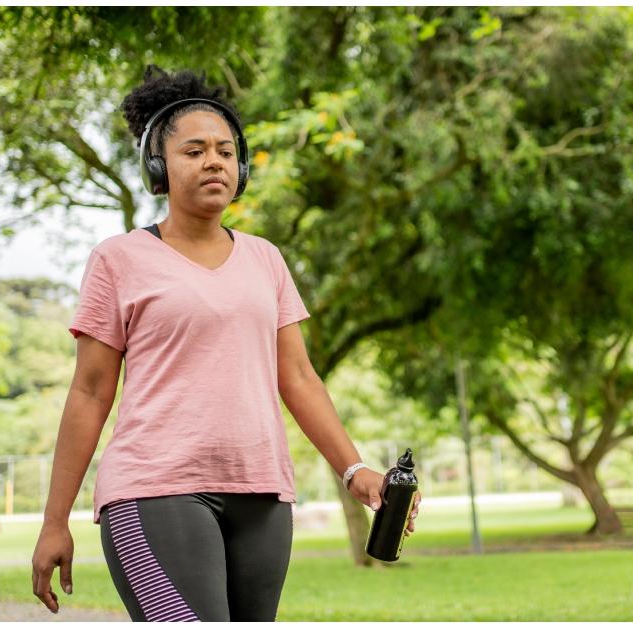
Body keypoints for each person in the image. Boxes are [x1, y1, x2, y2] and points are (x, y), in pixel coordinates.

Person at [30, 65, 421, 621]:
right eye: (193, 151)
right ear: (158, 166)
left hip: (262, 492)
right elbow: (91, 393)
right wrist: (54, 520)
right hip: (153, 489)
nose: (214, 161)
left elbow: (299, 378)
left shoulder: (265, 258)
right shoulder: (118, 260)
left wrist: (355, 469)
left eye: (224, 151)